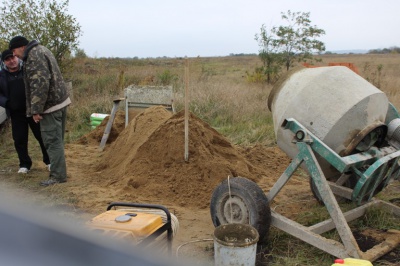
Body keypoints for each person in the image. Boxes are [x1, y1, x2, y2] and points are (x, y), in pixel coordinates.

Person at [9, 36, 71, 186]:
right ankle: (58, 172)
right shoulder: (43, 50)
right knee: (57, 141)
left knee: (52, 142)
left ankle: (57, 176)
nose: (14, 55)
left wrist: (36, 110)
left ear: (22, 47)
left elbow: (40, 85)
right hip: (60, 102)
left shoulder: (33, 57)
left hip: (50, 106)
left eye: (14, 51)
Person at [0, 49, 50, 174]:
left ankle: (49, 161)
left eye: (13, 58)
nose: (11, 61)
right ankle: (24, 164)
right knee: (19, 139)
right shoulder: (1, 76)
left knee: (41, 136)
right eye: (7, 59)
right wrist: (7, 103)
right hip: (16, 113)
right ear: (4, 62)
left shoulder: (27, 69)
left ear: (16, 57)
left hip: (33, 111)